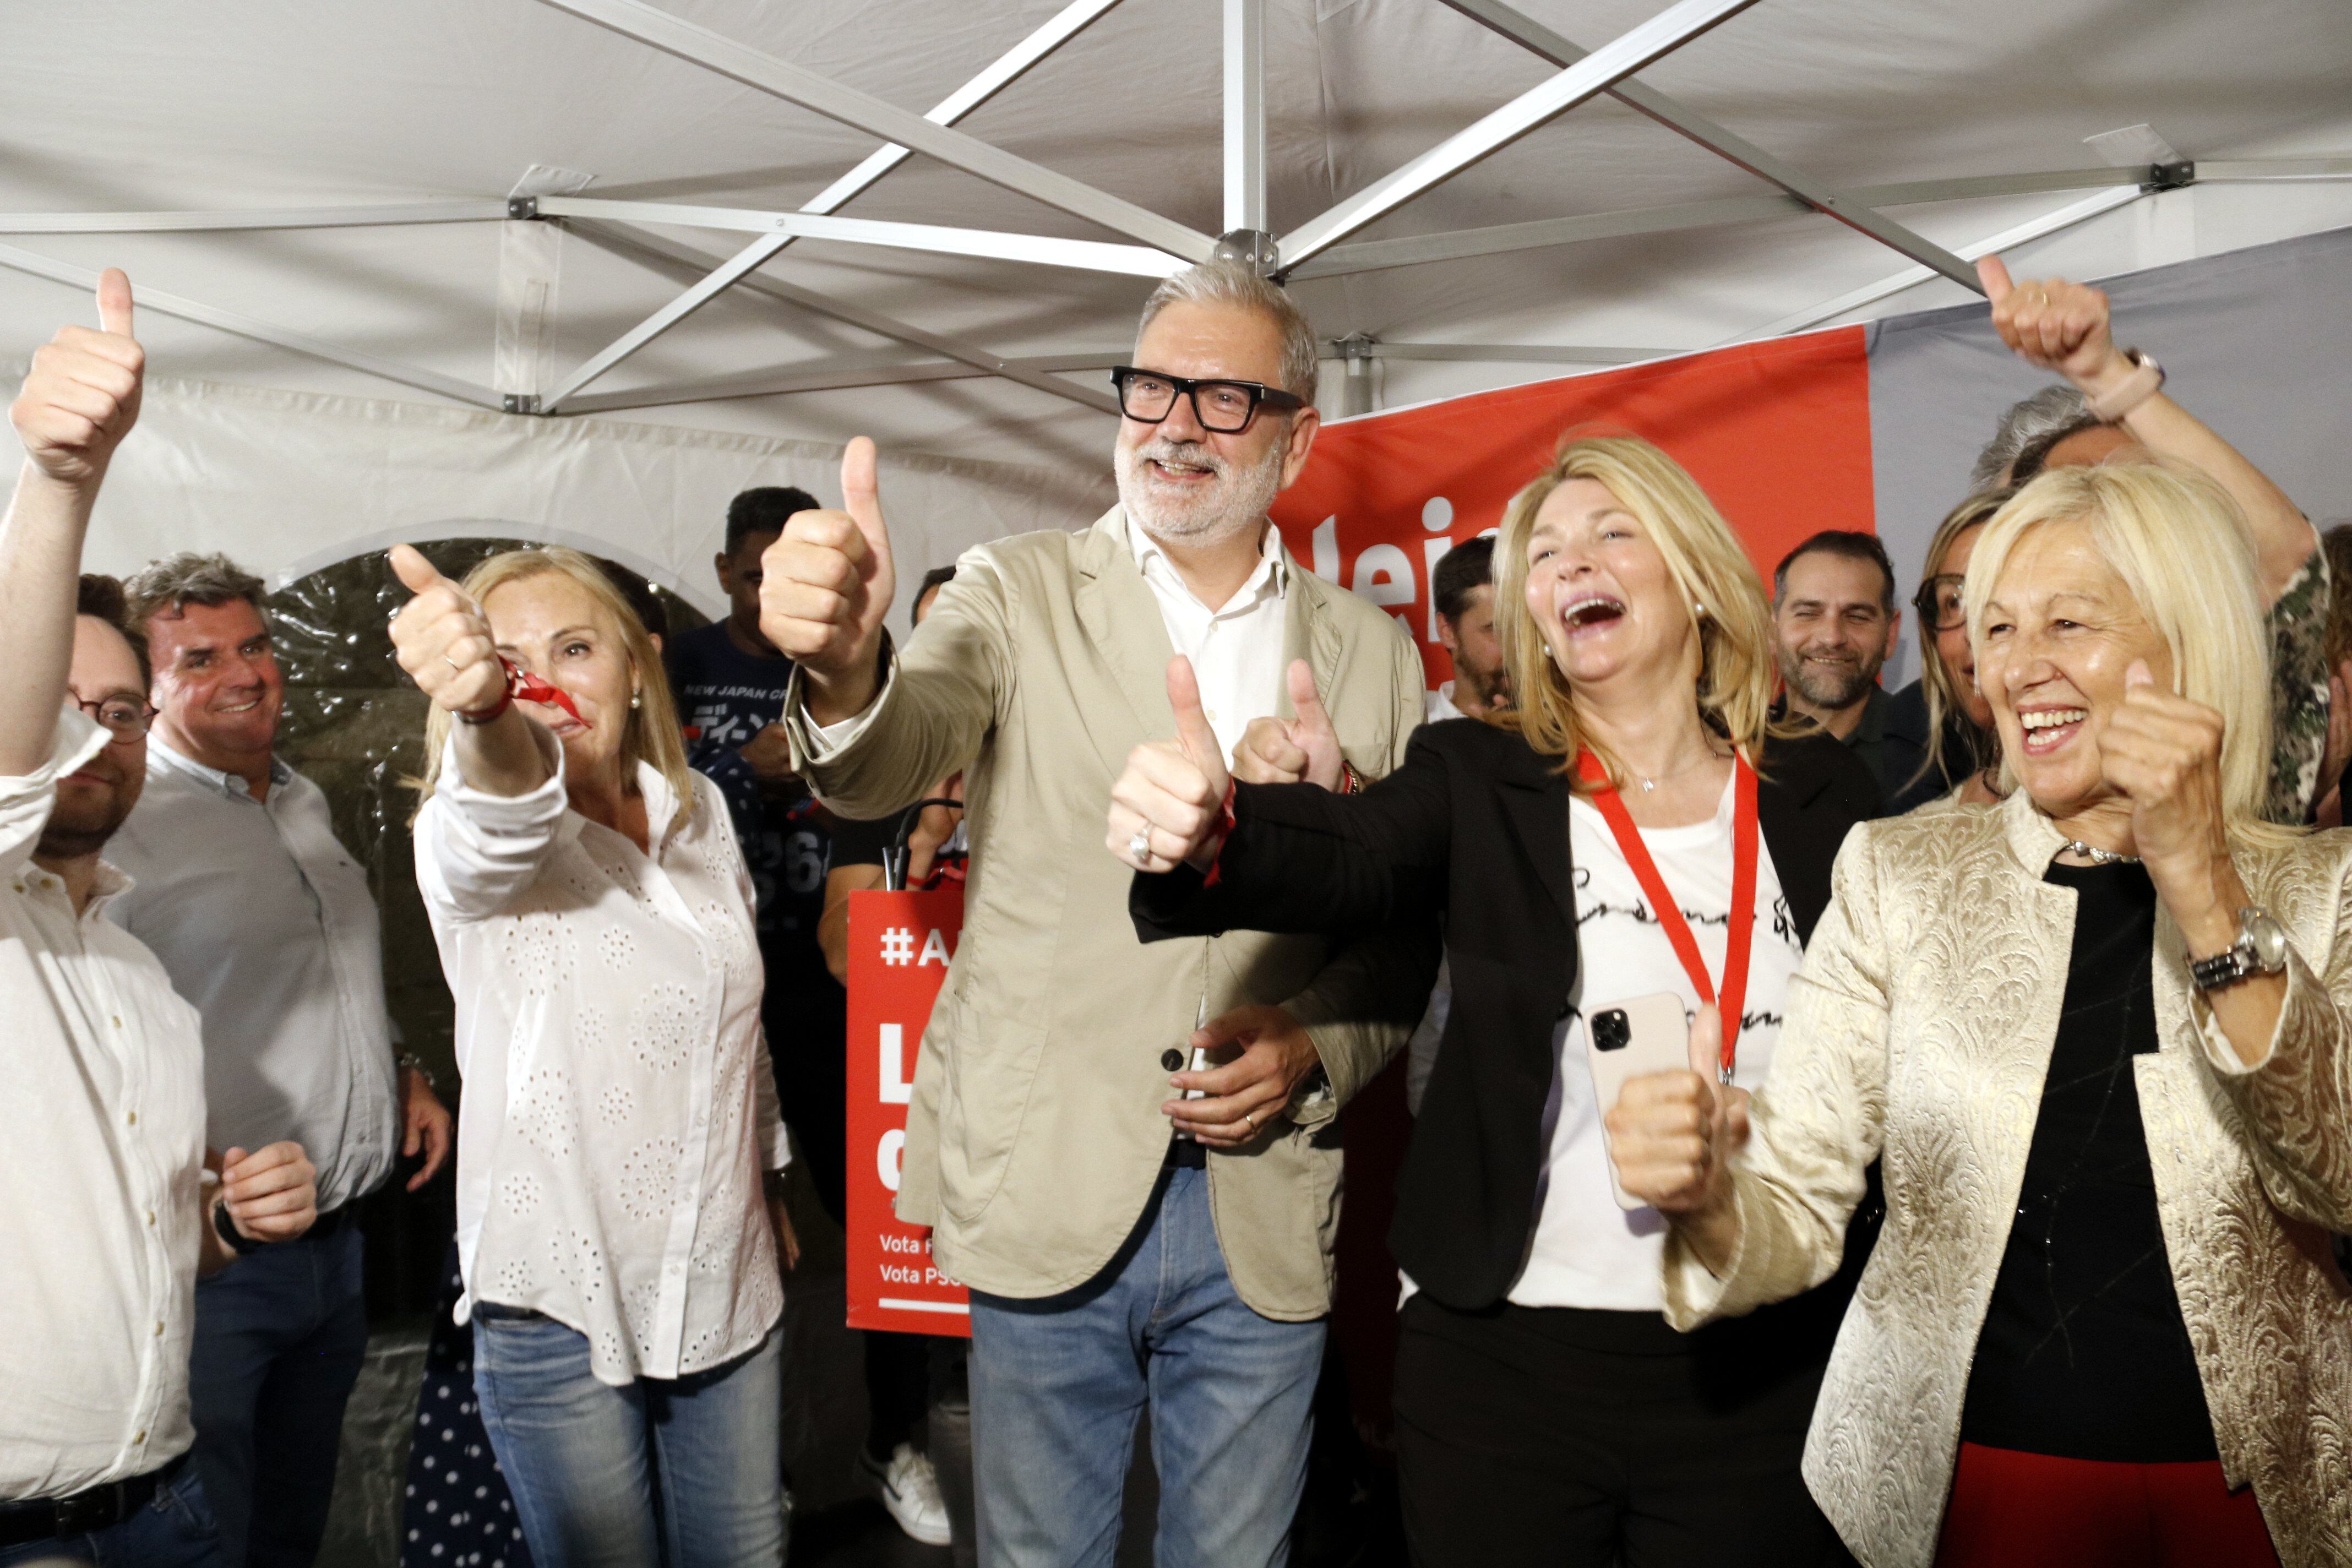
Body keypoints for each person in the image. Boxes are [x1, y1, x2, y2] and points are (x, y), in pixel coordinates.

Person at [1112, 433, 1880, 1568]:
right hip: (1506, 1358)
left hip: (1761, 1353)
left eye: (1612, 533)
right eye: (1546, 551)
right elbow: (1355, 854)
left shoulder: (1822, 793)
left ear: (1699, 574)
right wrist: (1213, 828)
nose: (1573, 564)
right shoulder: (1478, 773)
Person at [763, 260, 1430, 1566]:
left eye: (1226, 397)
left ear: (1298, 436)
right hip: (1049, 1175)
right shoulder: (1017, 589)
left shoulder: (1372, 650)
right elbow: (889, 756)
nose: (1174, 423)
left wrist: (1309, 1047)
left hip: (1264, 1202)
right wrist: (846, 666)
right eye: (1151, 387)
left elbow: (1400, 933)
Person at [1613, 462, 2351, 1567]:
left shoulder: (2325, 886)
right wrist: (1707, 1191)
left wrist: (2203, 883)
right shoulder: (1900, 873)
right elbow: (1799, 1199)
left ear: (2188, 643)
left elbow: (2336, 1173)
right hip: (1975, 1490)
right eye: (1995, 625)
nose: (2016, 665)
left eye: (2068, 621)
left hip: (2264, 1502)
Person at [390, 543, 798, 1568]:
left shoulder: (696, 808)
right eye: (502, 653)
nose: (539, 677)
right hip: (559, 1301)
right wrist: (486, 717)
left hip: (725, 1277)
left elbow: (735, 1023)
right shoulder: (466, 825)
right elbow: (499, 815)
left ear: (639, 662)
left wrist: (773, 1180)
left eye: (574, 647)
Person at [2, 271, 318, 1568]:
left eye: (123, 710)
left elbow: (141, 1245)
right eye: (69, 701)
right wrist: (61, 485)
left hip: (167, 1502)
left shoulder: (137, 975)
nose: (98, 734)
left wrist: (235, 1218)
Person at [101, 549, 451, 1568]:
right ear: (146, 685)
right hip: (214, 1269)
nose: (244, 673)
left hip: (336, 1250)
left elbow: (327, 966)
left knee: (293, 1527)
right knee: (210, 1531)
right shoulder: (124, 821)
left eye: (253, 645)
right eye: (199, 658)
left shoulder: (299, 797)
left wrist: (403, 1064)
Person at [1883, 256, 2325, 820]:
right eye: (1999, 628)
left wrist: (2109, 376)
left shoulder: (2247, 764)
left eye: (2135, 505)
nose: (2023, 667)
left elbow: (2289, 566)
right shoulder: (1919, 859)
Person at [811, 562, 965, 1554]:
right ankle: (894, 1440)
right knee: (909, 1274)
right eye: (936, 636)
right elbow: (840, 949)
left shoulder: (1071, 761)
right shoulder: (879, 782)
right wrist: (927, 845)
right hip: (911, 1076)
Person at [1770, 530, 1921, 796]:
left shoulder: (1932, 756)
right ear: (1773, 631)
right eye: (1807, 614)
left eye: (1857, 617)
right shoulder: (1733, 757)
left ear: (1890, 634)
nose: (1832, 637)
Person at [1429, 536, 1509, 721]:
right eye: (1495, 629)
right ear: (1447, 631)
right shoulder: (1413, 744)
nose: (1516, 648)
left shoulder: (1565, 733)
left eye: (1524, 628)